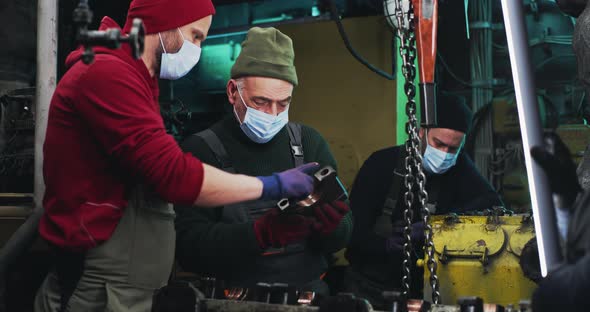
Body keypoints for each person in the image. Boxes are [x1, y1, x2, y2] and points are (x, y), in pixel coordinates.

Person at [34, 2, 318, 312]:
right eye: (195, 36)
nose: (197, 49)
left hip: (122, 288)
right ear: (165, 22)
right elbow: (175, 177)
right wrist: (273, 185)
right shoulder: (107, 74)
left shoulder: (135, 79)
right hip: (98, 288)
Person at [174, 27, 353, 295]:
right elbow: (187, 248)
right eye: (261, 101)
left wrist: (333, 228)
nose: (272, 114)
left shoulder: (308, 143)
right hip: (233, 301)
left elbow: (345, 230)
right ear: (233, 91)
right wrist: (259, 234)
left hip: (307, 296)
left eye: (283, 104)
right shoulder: (200, 150)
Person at [342, 93, 502, 309]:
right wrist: (385, 245)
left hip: (427, 290)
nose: (445, 154)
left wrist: (433, 227)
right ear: (419, 132)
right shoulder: (380, 164)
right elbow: (350, 232)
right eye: (439, 143)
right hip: (369, 287)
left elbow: (492, 205)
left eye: (453, 148)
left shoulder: (460, 168)